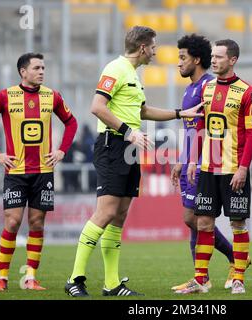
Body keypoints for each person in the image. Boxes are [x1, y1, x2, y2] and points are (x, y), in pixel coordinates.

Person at [65, 26, 202, 297]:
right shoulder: (115, 69)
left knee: (119, 215)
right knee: (105, 212)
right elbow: (97, 107)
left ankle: (112, 284)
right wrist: (129, 132)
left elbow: (143, 111)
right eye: (153, 46)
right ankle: (74, 279)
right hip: (112, 146)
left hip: (128, 148)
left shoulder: (134, 76)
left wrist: (180, 113)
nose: (155, 51)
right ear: (142, 48)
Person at [0, 53, 78, 291]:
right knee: (12, 222)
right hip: (16, 170)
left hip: (44, 171)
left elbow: (71, 122)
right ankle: (2, 278)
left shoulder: (52, 96)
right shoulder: (5, 96)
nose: (42, 71)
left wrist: (62, 150)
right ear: (23, 71)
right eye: (37, 68)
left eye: (43, 67)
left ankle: (31, 278)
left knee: (37, 223)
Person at [177, 39, 252, 295]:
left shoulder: (248, 92)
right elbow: (200, 127)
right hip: (208, 170)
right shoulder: (207, 88)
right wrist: (192, 160)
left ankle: (238, 278)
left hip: (234, 169)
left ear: (232, 60)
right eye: (212, 56)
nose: (214, 60)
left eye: (219, 57)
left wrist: (243, 168)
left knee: (238, 224)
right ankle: (201, 280)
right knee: (203, 224)